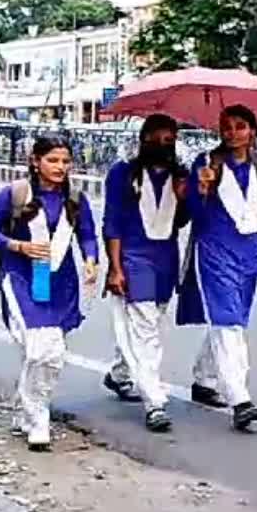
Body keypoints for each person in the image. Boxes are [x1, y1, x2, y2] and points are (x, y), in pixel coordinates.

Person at [176, 105, 257, 430]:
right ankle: (239, 398)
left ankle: (204, 379)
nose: (233, 133)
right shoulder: (206, 163)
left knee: (232, 320)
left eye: (240, 126)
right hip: (214, 251)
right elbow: (192, 210)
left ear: (252, 130)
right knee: (228, 322)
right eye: (227, 127)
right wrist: (200, 190)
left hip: (249, 252)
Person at [0, 134, 99, 450]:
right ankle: (38, 418)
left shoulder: (75, 197)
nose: (60, 167)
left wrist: (90, 259)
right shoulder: (15, 194)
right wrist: (18, 245)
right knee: (38, 350)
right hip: (22, 278)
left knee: (52, 352)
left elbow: (88, 234)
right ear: (36, 161)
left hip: (61, 282)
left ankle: (25, 408)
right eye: (53, 160)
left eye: (65, 161)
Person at [101, 114, 190, 432]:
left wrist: (186, 198)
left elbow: (180, 223)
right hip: (133, 258)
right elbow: (111, 223)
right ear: (144, 139)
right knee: (145, 330)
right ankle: (154, 402)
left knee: (151, 327)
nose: (163, 145)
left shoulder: (181, 176)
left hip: (165, 258)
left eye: (170, 140)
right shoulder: (122, 174)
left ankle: (120, 374)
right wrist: (115, 267)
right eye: (157, 139)